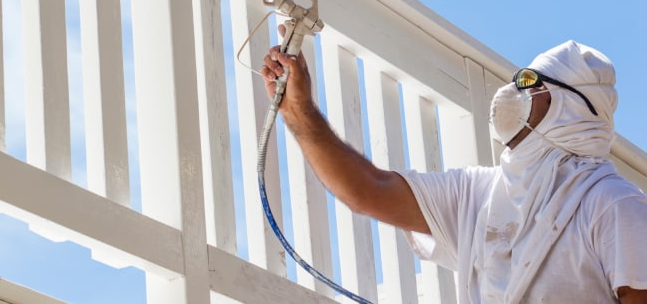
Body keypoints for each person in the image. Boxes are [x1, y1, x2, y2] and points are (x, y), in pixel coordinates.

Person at [261, 38, 647, 303]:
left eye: (531, 83)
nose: (515, 91)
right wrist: (300, 110)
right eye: (519, 78)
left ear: (570, 107)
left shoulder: (612, 205)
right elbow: (367, 190)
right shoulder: (477, 194)